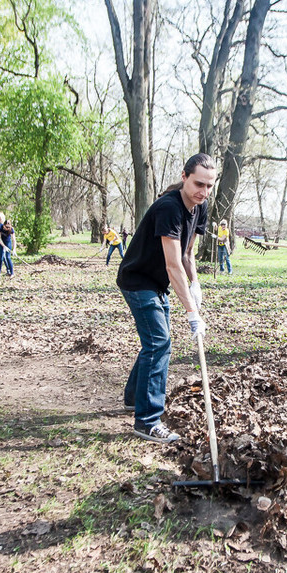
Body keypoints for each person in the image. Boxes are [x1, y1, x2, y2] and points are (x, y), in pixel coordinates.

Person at [116, 153, 213, 443]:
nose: (203, 191)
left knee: (154, 341)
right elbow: (172, 265)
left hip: (158, 282)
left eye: (209, 186)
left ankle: (135, 398)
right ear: (184, 177)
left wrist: (195, 283)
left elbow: (187, 254)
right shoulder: (169, 208)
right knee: (159, 342)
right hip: (138, 279)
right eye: (198, 184)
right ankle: (146, 421)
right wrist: (191, 312)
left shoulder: (200, 206)